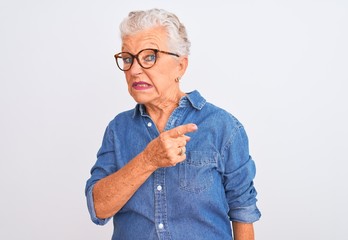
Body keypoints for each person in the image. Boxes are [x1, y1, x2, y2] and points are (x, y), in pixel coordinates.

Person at [85, 8, 261, 240]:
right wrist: (148, 160)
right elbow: (99, 209)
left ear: (180, 66)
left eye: (149, 57)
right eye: (128, 59)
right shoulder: (118, 129)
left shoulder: (223, 127)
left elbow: (243, 212)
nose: (134, 70)